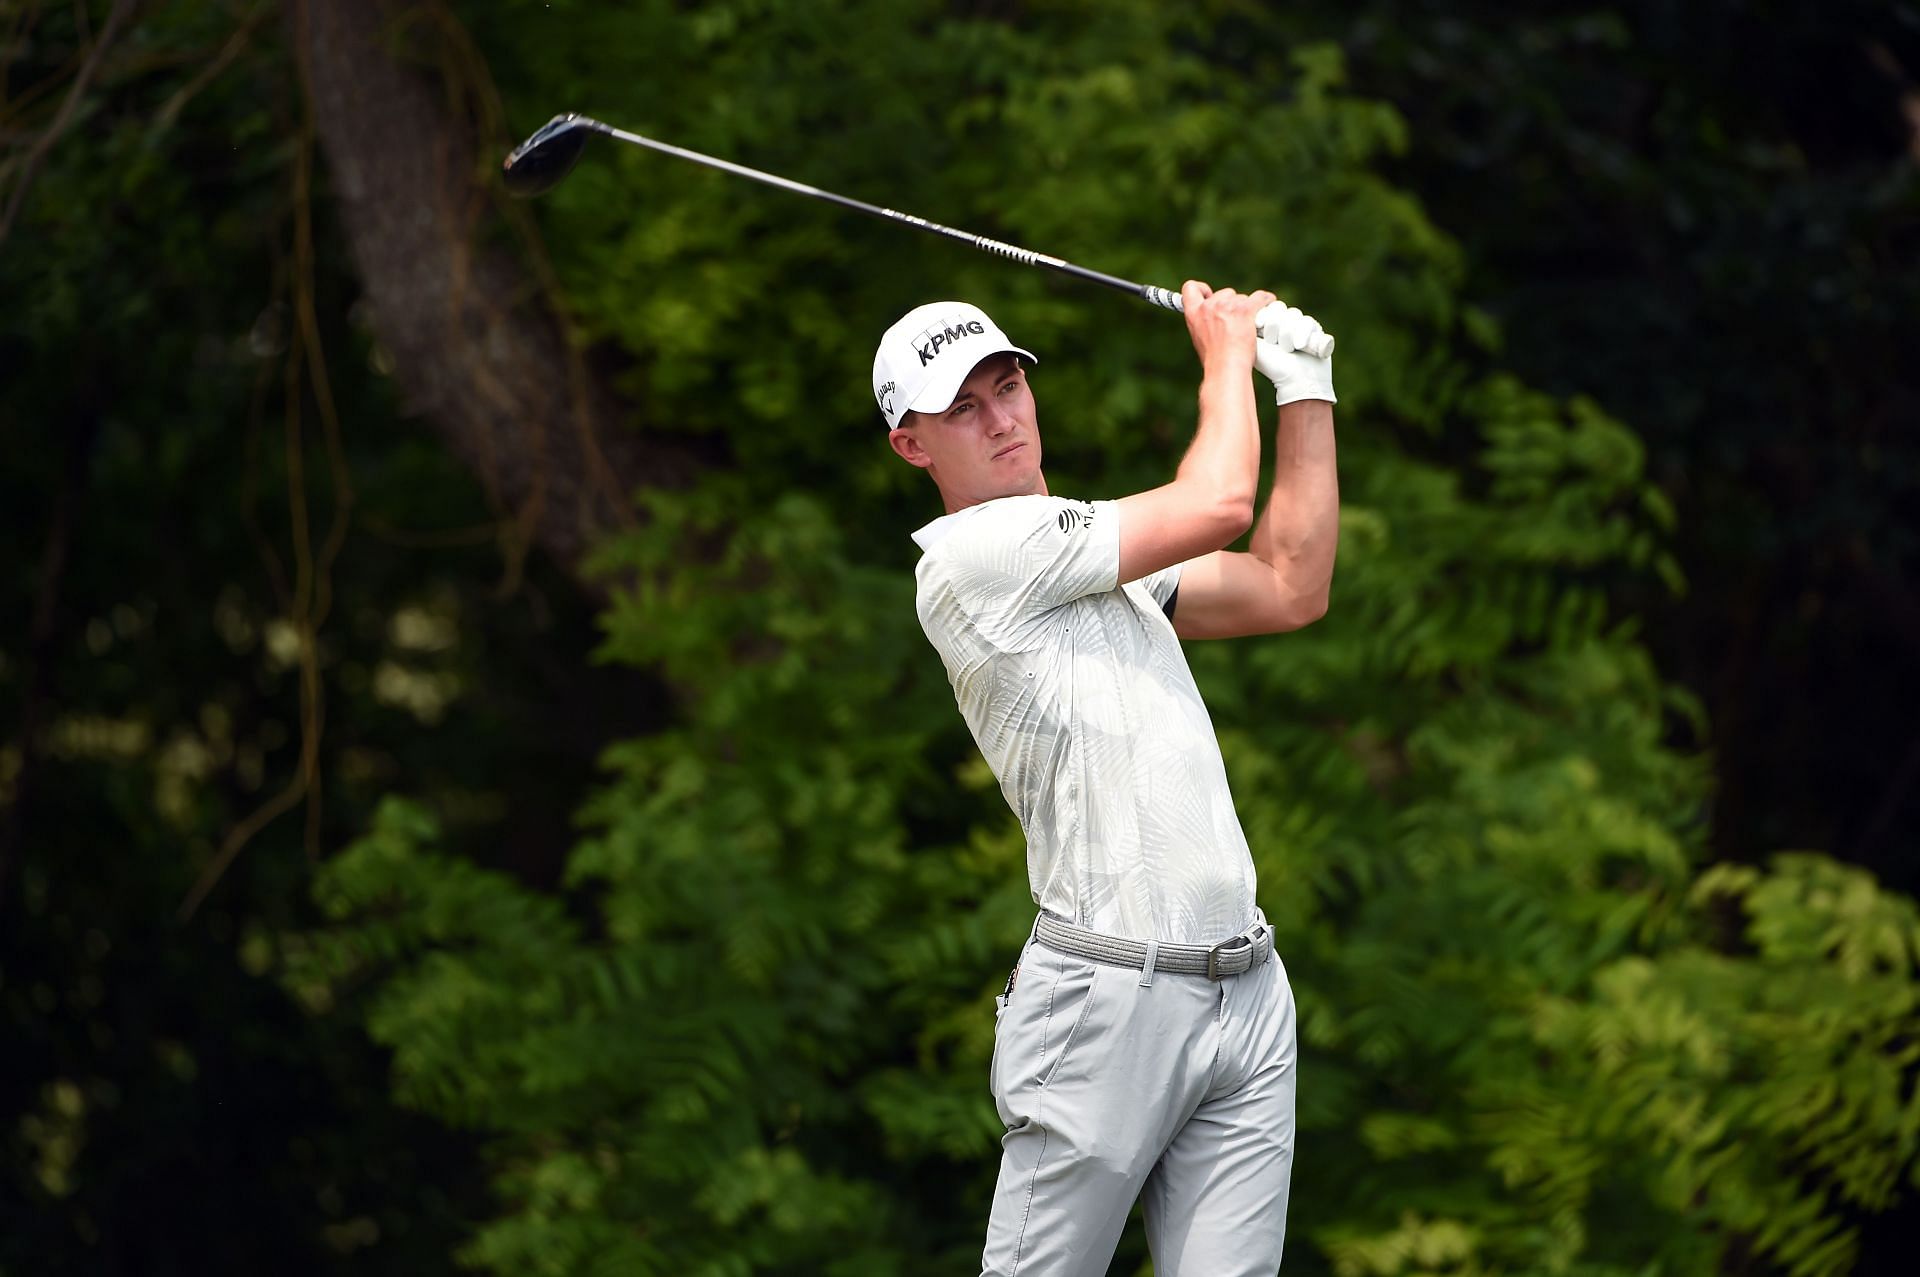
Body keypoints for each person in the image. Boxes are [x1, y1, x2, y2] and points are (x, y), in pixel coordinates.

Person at [873, 280, 1339, 1277]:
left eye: (1008, 386)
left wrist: (1304, 391)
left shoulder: (1092, 551)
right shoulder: (969, 558)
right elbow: (1218, 502)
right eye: (964, 406)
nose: (1001, 417)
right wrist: (1224, 352)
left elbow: (1288, 584)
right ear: (913, 445)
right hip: (1104, 996)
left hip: (1247, 990)